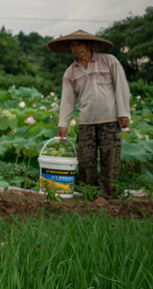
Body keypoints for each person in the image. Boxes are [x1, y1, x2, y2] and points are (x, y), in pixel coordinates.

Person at [49, 30, 131, 199]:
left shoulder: (109, 62)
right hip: (86, 123)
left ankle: (108, 196)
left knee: (110, 159)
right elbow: (67, 101)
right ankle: (92, 196)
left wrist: (123, 112)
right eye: (72, 45)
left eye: (79, 44)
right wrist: (62, 125)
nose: (76, 48)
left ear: (89, 45)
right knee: (86, 161)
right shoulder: (70, 72)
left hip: (109, 120)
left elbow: (121, 86)